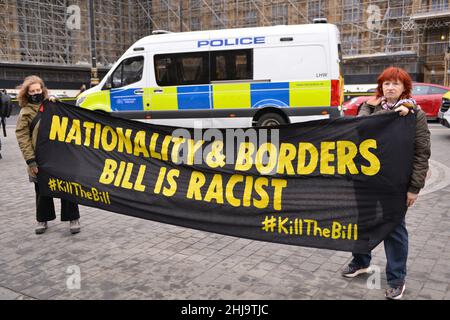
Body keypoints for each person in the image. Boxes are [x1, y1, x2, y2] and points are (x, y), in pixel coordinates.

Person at [341, 67, 431, 300]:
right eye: (386, 84)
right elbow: (359, 129)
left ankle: (397, 278)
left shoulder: (414, 114)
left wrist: (414, 188)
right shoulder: (375, 108)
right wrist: (370, 105)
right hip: (367, 180)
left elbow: (422, 153)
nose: (390, 88)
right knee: (363, 222)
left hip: (395, 184)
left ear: (404, 88)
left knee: (394, 229)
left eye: (395, 84)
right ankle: (360, 261)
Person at [15, 75, 81, 235]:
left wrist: (56, 102)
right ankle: (42, 219)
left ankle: (73, 218)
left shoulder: (51, 105)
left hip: (59, 156)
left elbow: (66, 122)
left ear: (42, 90)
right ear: (27, 93)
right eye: (32, 91)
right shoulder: (25, 113)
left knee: (67, 186)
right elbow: (23, 138)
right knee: (42, 190)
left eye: (38, 90)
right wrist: (31, 161)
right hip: (39, 159)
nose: (36, 93)